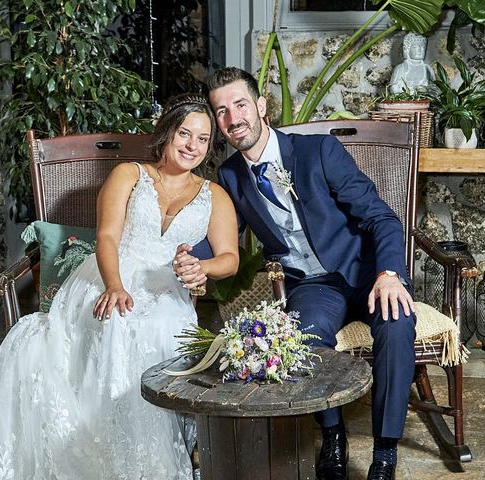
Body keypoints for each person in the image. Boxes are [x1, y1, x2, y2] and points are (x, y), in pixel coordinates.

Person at [0, 94, 239, 480]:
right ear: (166, 133)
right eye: (184, 134)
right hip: (108, 273)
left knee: (166, 329)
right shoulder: (129, 174)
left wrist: (201, 266)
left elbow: (229, 258)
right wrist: (114, 286)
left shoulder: (214, 196)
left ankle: (151, 462)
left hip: (168, 288)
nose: (191, 146)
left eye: (202, 138)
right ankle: (106, 456)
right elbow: (108, 238)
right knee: (117, 321)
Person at [174, 67, 416, 480]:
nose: (233, 119)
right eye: (222, 111)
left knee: (396, 323)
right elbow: (223, 239)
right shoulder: (231, 175)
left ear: (261, 106)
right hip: (313, 286)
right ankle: (333, 436)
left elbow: (383, 218)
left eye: (240, 105)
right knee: (301, 334)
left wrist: (390, 272)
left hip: (367, 271)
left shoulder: (319, 150)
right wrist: (188, 257)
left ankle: (385, 451)